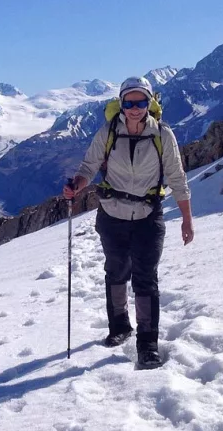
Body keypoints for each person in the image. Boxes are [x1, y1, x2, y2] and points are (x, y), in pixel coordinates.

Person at [63, 76, 194, 370]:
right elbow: (89, 166)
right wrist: (78, 185)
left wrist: (187, 219)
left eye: (141, 101)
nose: (135, 108)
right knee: (116, 269)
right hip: (112, 213)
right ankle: (119, 326)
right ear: (121, 103)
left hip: (148, 215)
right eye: (129, 102)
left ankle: (148, 344)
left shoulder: (162, 135)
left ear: (150, 103)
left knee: (146, 277)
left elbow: (177, 177)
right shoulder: (109, 131)